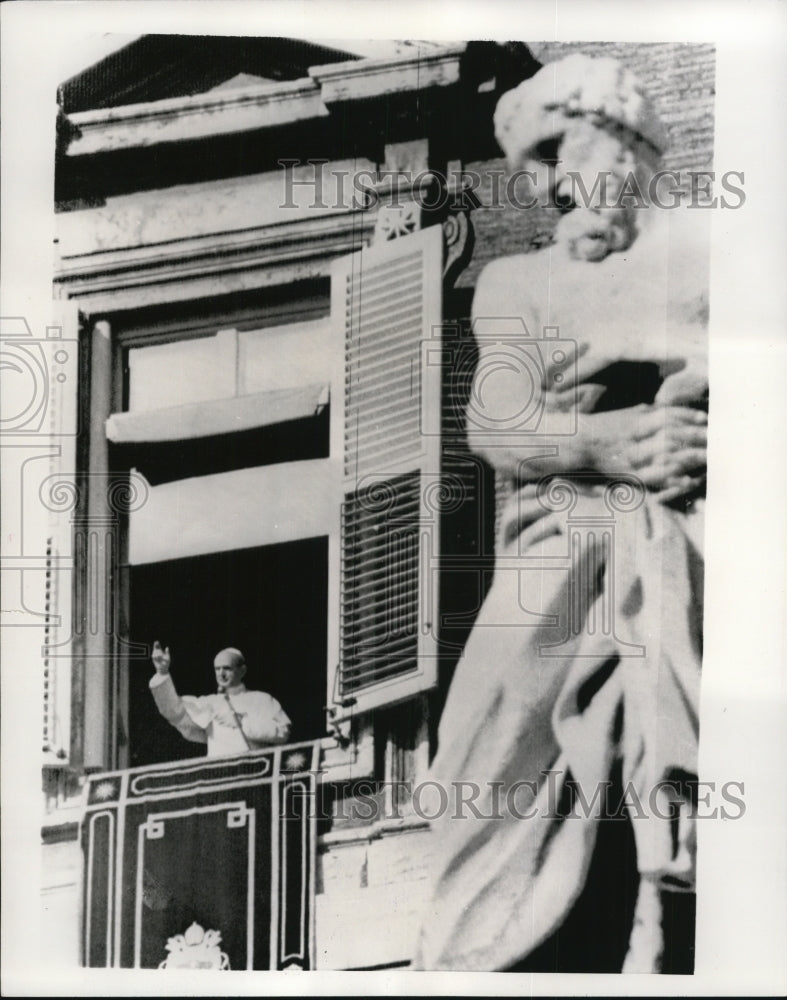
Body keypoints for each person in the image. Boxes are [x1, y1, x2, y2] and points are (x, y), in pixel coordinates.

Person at [412, 54, 707, 973]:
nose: (544, 189)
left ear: (615, 133)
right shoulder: (517, 283)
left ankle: (670, 880)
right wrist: (604, 441)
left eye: (551, 152)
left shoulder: (716, 253)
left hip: (696, 516)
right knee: (488, 730)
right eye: (527, 171)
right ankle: (480, 946)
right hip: (561, 534)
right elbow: (494, 423)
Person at [149, 641, 291, 757]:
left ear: (242, 671)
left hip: (254, 770)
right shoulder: (209, 702)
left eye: (227, 668)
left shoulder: (262, 699)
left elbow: (283, 732)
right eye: (217, 669)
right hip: (219, 773)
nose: (221, 674)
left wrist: (242, 722)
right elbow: (175, 712)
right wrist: (162, 673)